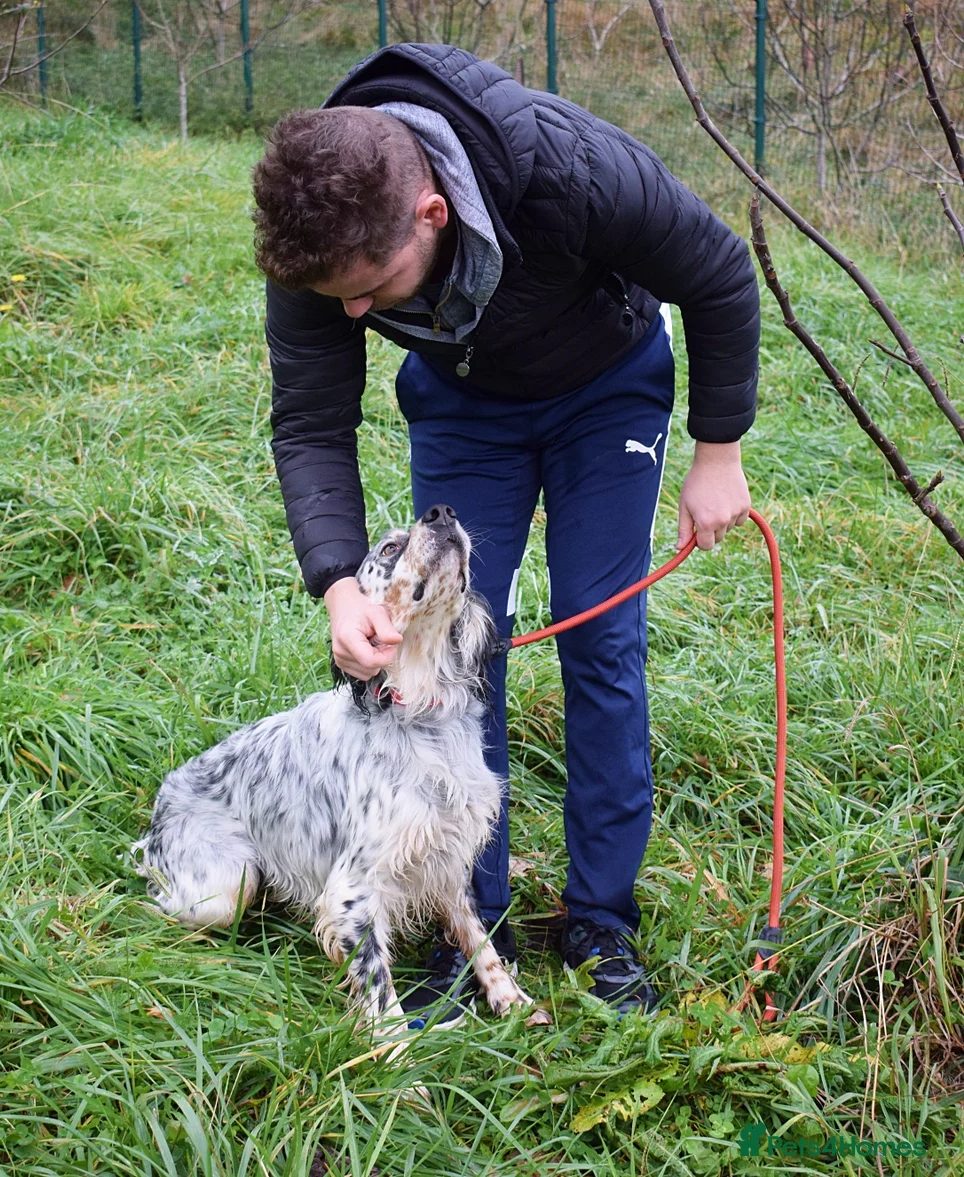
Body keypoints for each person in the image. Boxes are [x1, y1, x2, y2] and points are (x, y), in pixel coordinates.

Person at [251, 43, 758, 1022]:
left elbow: (718, 271)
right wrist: (338, 584)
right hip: (465, 407)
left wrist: (717, 450)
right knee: (446, 653)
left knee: (597, 637)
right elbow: (311, 417)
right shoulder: (319, 236)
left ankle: (602, 921)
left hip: (605, 389)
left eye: (371, 285)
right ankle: (468, 923)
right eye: (337, 300)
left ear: (432, 213)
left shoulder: (569, 169)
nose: (353, 312)